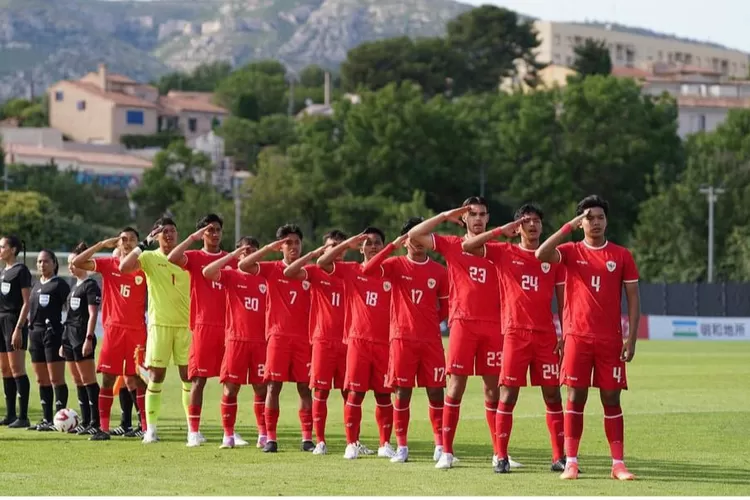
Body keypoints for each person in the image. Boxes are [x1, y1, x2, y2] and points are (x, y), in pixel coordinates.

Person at [535, 195, 640, 481]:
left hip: (610, 340)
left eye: (600, 217)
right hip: (577, 338)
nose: (595, 222)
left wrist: (631, 338)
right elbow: (541, 253)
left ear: (607, 221)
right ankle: (571, 461)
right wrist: (566, 227)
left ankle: (618, 464)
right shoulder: (569, 251)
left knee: (611, 399)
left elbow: (632, 298)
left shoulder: (621, 255)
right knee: (575, 397)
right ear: (580, 223)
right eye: (589, 218)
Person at [408, 197, 517, 470]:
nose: (478, 218)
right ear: (464, 218)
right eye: (472, 214)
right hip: (463, 325)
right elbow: (414, 235)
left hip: (494, 326)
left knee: (493, 390)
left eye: (482, 214)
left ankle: (499, 453)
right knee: (455, 387)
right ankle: (446, 451)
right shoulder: (452, 244)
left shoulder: (498, 249)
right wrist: (445, 213)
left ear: (488, 218)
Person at [462, 204, 566, 473]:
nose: (532, 225)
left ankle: (559, 457)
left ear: (542, 226)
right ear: (518, 226)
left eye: (537, 221)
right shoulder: (503, 251)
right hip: (514, 334)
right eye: (527, 221)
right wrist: (499, 231)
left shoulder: (553, 257)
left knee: (553, 394)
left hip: (545, 336)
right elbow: (468, 246)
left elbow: (563, 301)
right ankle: (501, 455)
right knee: (507, 395)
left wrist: (564, 332)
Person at [361, 218, 449, 464]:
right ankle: (401, 446)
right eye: (413, 238)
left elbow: (446, 307)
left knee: (436, 392)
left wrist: (429, 323)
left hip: (430, 341)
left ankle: (440, 445)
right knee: (402, 393)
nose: (419, 243)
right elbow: (367, 270)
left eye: (423, 237)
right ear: (406, 241)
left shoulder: (439, 271)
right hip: (402, 339)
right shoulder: (395, 264)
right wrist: (391, 246)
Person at [167, 214, 246, 447]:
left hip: (230, 328)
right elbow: (172, 257)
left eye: (218, 229)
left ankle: (228, 432)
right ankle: (193, 431)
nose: (215, 234)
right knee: (198, 380)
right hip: (203, 326)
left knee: (231, 381)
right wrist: (192, 238)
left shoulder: (229, 259)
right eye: (210, 230)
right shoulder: (194, 257)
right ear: (202, 233)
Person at [317, 227, 395, 460]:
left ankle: (385, 444)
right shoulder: (351, 270)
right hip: (358, 342)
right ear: (360, 247)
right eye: (368, 243)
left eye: (377, 242)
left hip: (384, 343)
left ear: (383, 246)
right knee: (355, 394)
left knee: (384, 396)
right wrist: (347, 243)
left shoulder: (391, 271)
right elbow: (322, 261)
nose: (373, 246)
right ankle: (351, 443)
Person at [238, 224, 313, 453]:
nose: (293, 247)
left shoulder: (309, 272)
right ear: (281, 246)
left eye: (296, 243)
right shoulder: (271, 269)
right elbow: (243, 265)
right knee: (273, 387)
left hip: (303, 339)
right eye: (288, 243)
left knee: (304, 388)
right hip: (278, 338)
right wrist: (269, 248)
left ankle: (307, 438)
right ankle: (270, 438)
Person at [119, 217, 191, 444]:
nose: (168, 235)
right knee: (156, 376)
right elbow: (124, 267)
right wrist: (143, 244)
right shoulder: (149, 258)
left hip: (185, 326)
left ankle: (193, 429)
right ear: (156, 235)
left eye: (172, 231)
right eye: (163, 231)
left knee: (188, 377)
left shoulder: (187, 259)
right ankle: (150, 429)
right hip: (159, 325)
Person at [72, 230, 148, 439]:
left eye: (132, 239)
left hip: (137, 331)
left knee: (139, 379)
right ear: (118, 242)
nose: (128, 242)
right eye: (124, 239)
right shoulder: (109, 265)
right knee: (107, 380)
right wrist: (102, 243)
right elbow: (78, 263)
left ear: (138, 243)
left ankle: (145, 428)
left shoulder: (145, 266)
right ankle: (104, 429)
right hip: (113, 331)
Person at [283, 230, 348, 456]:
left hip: (348, 341)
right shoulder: (315, 271)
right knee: (320, 391)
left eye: (340, 246)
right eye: (331, 246)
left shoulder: (352, 272)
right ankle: (319, 441)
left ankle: (353, 441)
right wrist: (313, 254)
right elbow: (289, 272)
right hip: (322, 340)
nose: (336, 250)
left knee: (350, 393)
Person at [203, 237, 268, 449]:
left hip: (260, 342)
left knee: (261, 389)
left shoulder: (265, 279)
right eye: (245, 251)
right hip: (236, 340)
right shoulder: (231, 275)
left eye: (253, 251)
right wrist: (231, 255)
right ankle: (228, 435)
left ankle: (263, 434)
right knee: (231, 389)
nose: (248, 254)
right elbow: (207, 272)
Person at [61, 243, 102, 437]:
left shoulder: (91, 285)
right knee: (78, 381)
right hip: (68, 338)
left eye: (73, 263)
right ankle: (85, 421)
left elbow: (92, 315)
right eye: (69, 263)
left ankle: (96, 421)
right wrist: (63, 342)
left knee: (89, 380)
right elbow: (69, 316)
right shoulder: (73, 287)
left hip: (81, 338)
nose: (70, 266)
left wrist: (88, 338)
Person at [27, 249, 70, 431]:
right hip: (35, 334)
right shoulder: (36, 285)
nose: (41, 265)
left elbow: (70, 311)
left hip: (53, 334)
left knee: (56, 379)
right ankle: (46, 419)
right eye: (39, 262)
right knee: (41, 379)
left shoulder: (60, 285)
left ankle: (59, 419)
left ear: (54, 263)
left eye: (45, 261)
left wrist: (66, 335)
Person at [0, 235, 32, 429]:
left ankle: (23, 416)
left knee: (17, 368)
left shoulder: (21, 271)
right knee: (5, 370)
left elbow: (26, 302)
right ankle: (10, 414)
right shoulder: (3, 271)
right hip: (1, 321)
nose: (0, 249)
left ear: (13, 250)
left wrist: (19, 328)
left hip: (14, 321)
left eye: (2, 246)